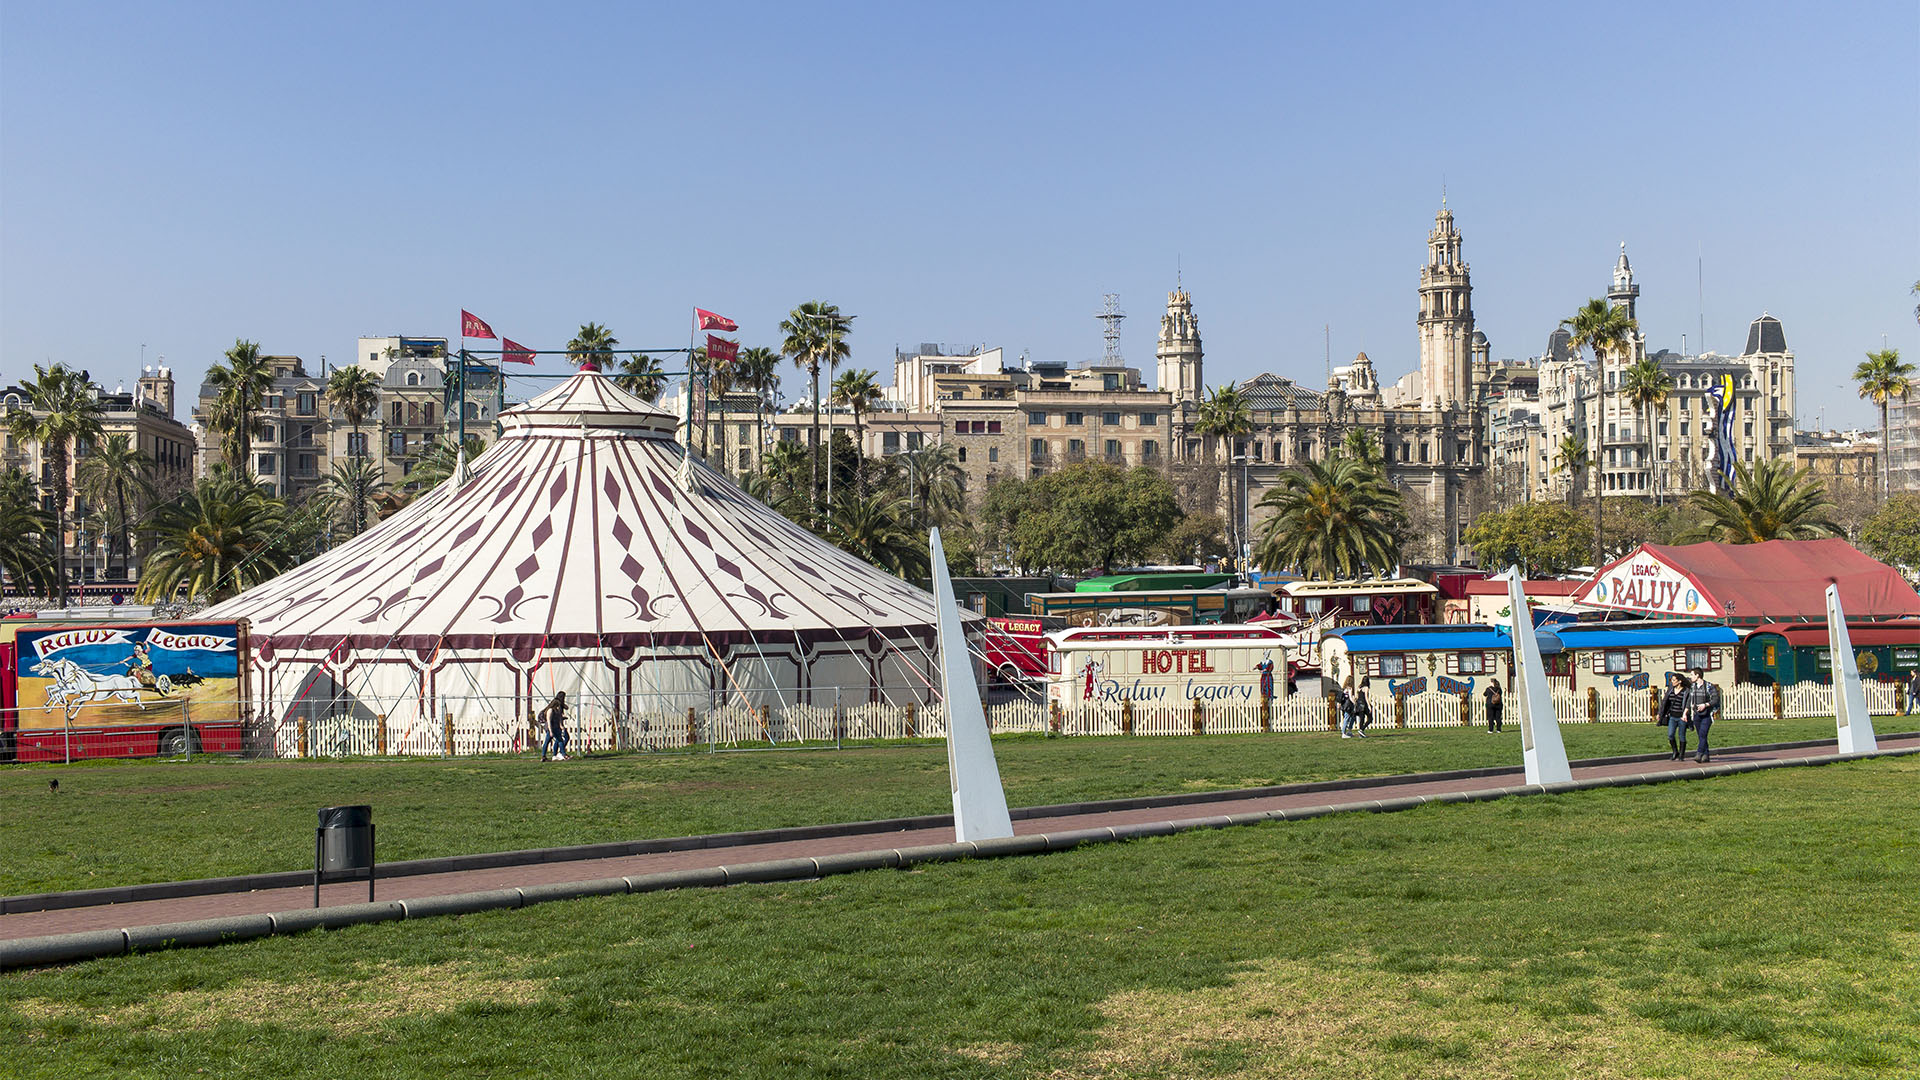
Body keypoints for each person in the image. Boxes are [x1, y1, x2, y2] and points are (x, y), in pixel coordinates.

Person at [1685, 668, 1721, 763]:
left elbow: (1715, 699)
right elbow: (1689, 700)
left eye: (1692, 675)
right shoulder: (1692, 687)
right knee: (1701, 736)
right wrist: (1686, 712)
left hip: (1707, 714)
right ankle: (1706, 755)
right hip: (1696, 714)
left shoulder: (1709, 686)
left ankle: (1699, 753)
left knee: (1703, 733)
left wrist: (1705, 705)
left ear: (1697, 675)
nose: (1691, 677)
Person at [1659, 672, 1691, 760]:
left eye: (1674, 680)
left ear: (1679, 681)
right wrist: (1660, 713)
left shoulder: (1686, 691)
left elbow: (1688, 703)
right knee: (1670, 735)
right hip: (1672, 716)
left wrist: (1685, 714)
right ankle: (1675, 751)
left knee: (1682, 736)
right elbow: (1665, 702)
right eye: (1671, 680)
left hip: (1682, 717)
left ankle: (1681, 755)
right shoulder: (1671, 690)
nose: (1672, 682)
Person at [540, 691, 571, 761]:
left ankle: (563, 754)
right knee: (547, 741)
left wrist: (561, 725)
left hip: (556, 727)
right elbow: (549, 721)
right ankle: (543, 756)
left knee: (560, 740)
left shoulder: (557, 710)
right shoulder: (550, 710)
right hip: (551, 728)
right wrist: (550, 731)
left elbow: (560, 717)